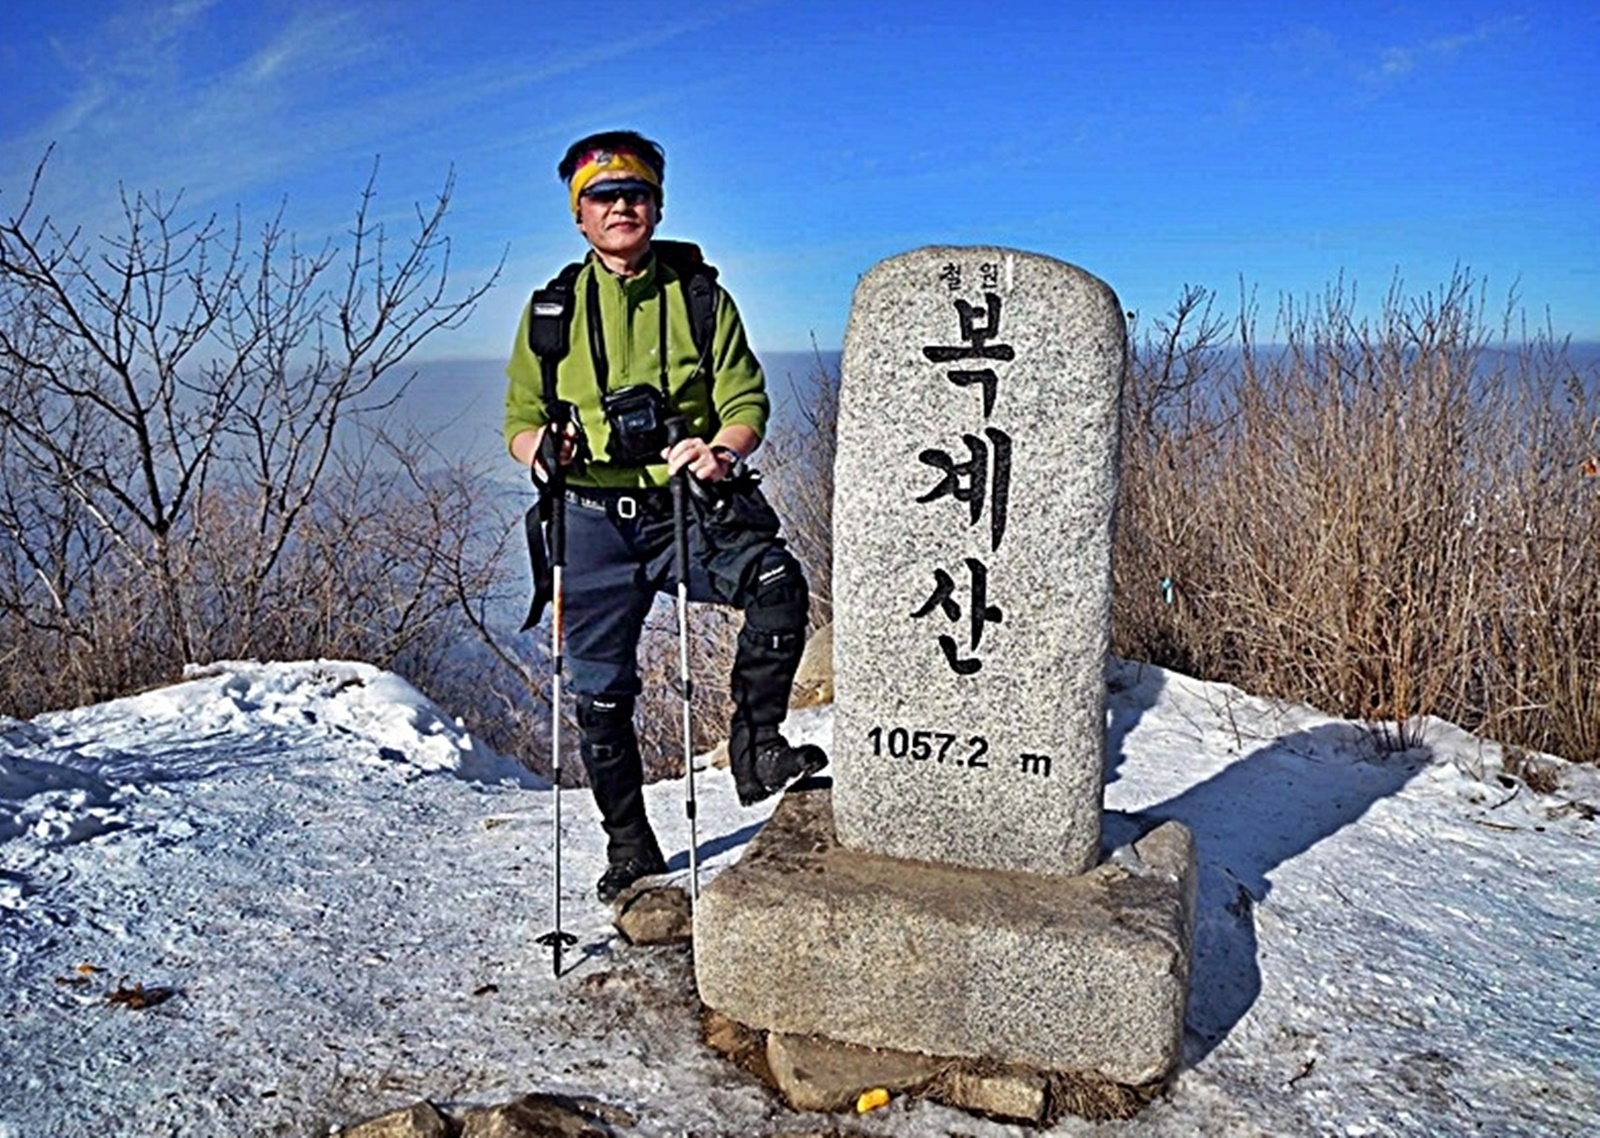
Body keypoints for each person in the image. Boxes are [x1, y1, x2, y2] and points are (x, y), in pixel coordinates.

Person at [504, 129, 827, 903]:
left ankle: (756, 746)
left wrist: (721, 451)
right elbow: (519, 416)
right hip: (589, 515)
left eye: (636, 194)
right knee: (600, 693)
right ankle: (630, 849)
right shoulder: (552, 311)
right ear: (579, 214)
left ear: (657, 205)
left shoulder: (699, 297)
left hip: (685, 505)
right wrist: (542, 450)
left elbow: (745, 398)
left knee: (777, 584)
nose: (621, 206)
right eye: (603, 196)